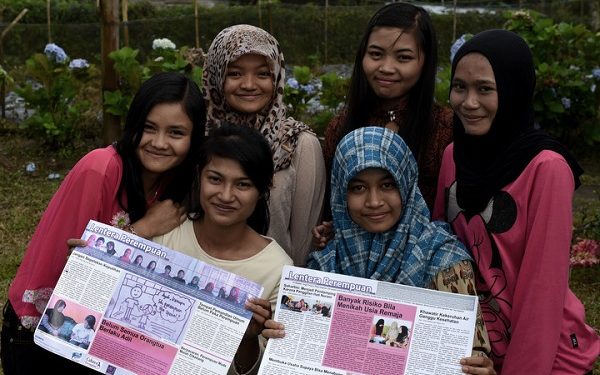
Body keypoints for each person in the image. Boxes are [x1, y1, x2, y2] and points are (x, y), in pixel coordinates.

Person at [1, 71, 206, 375]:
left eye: (176, 133)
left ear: (194, 138)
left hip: (105, 340)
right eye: (149, 128)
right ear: (134, 124)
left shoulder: (177, 184)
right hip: (43, 333)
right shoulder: (101, 168)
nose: (159, 143)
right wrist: (143, 229)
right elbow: (72, 275)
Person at [432, 29, 600, 374]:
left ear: (514, 92)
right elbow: (438, 251)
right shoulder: (454, 156)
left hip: (541, 356)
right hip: (474, 347)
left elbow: (543, 289)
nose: (469, 102)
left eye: (485, 89)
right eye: (460, 87)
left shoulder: (546, 167)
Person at [265, 127, 494, 374]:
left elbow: (473, 355)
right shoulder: (324, 267)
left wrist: (482, 369)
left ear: (406, 184)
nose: (374, 201)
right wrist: (279, 340)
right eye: (358, 188)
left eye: (387, 185)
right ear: (341, 194)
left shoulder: (444, 260)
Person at [154, 125, 293, 375]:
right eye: (215, 179)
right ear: (199, 176)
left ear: (262, 190)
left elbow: (251, 370)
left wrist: (248, 339)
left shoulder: (277, 269)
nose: (226, 195)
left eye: (242, 184)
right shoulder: (165, 235)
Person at [314, 3, 452, 249]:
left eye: (404, 58)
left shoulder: (446, 128)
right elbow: (334, 207)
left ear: (425, 61)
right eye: (376, 54)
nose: (387, 68)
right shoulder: (340, 127)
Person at [202, 24, 326, 266]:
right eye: (235, 73)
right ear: (217, 76)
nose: (249, 84)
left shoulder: (297, 145)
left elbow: (304, 242)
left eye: (262, 74)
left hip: (270, 289)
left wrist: (281, 295)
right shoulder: (199, 138)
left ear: (277, 77)